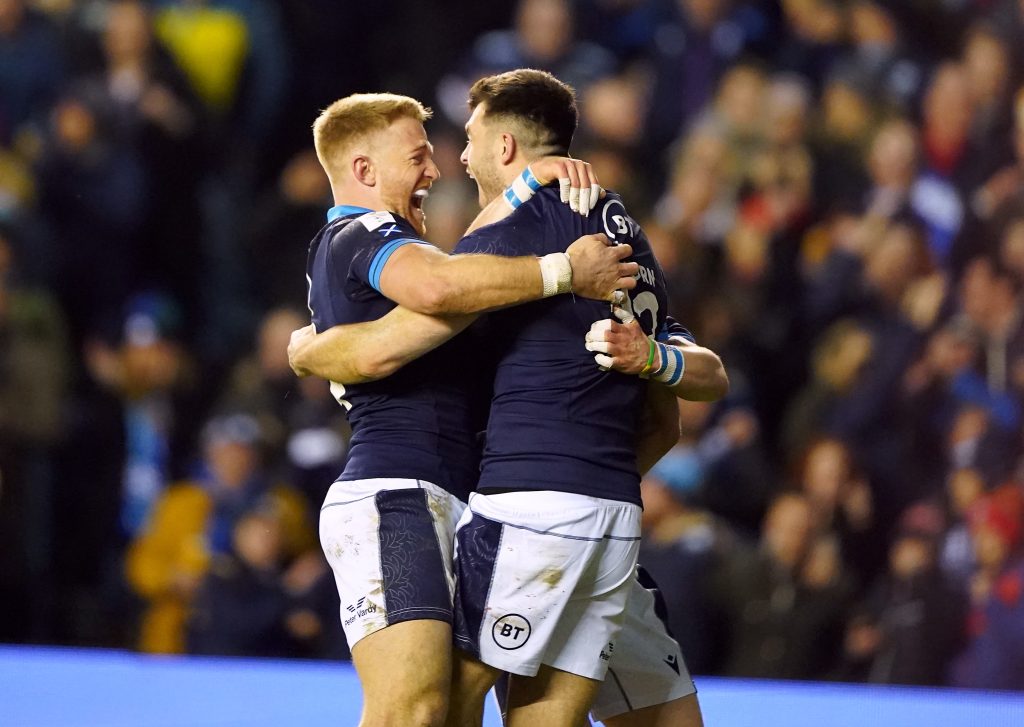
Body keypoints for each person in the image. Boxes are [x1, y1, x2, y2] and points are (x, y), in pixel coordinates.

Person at [292, 71, 728, 727]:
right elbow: (669, 412)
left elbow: (432, 303)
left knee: (448, 704)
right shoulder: (614, 230)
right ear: (362, 167)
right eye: (421, 154)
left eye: (462, 142)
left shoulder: (497, 248)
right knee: (435, 706)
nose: (448, 163)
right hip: (519, 505)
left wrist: (314, 347)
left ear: (501, 148)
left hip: (527, 507)